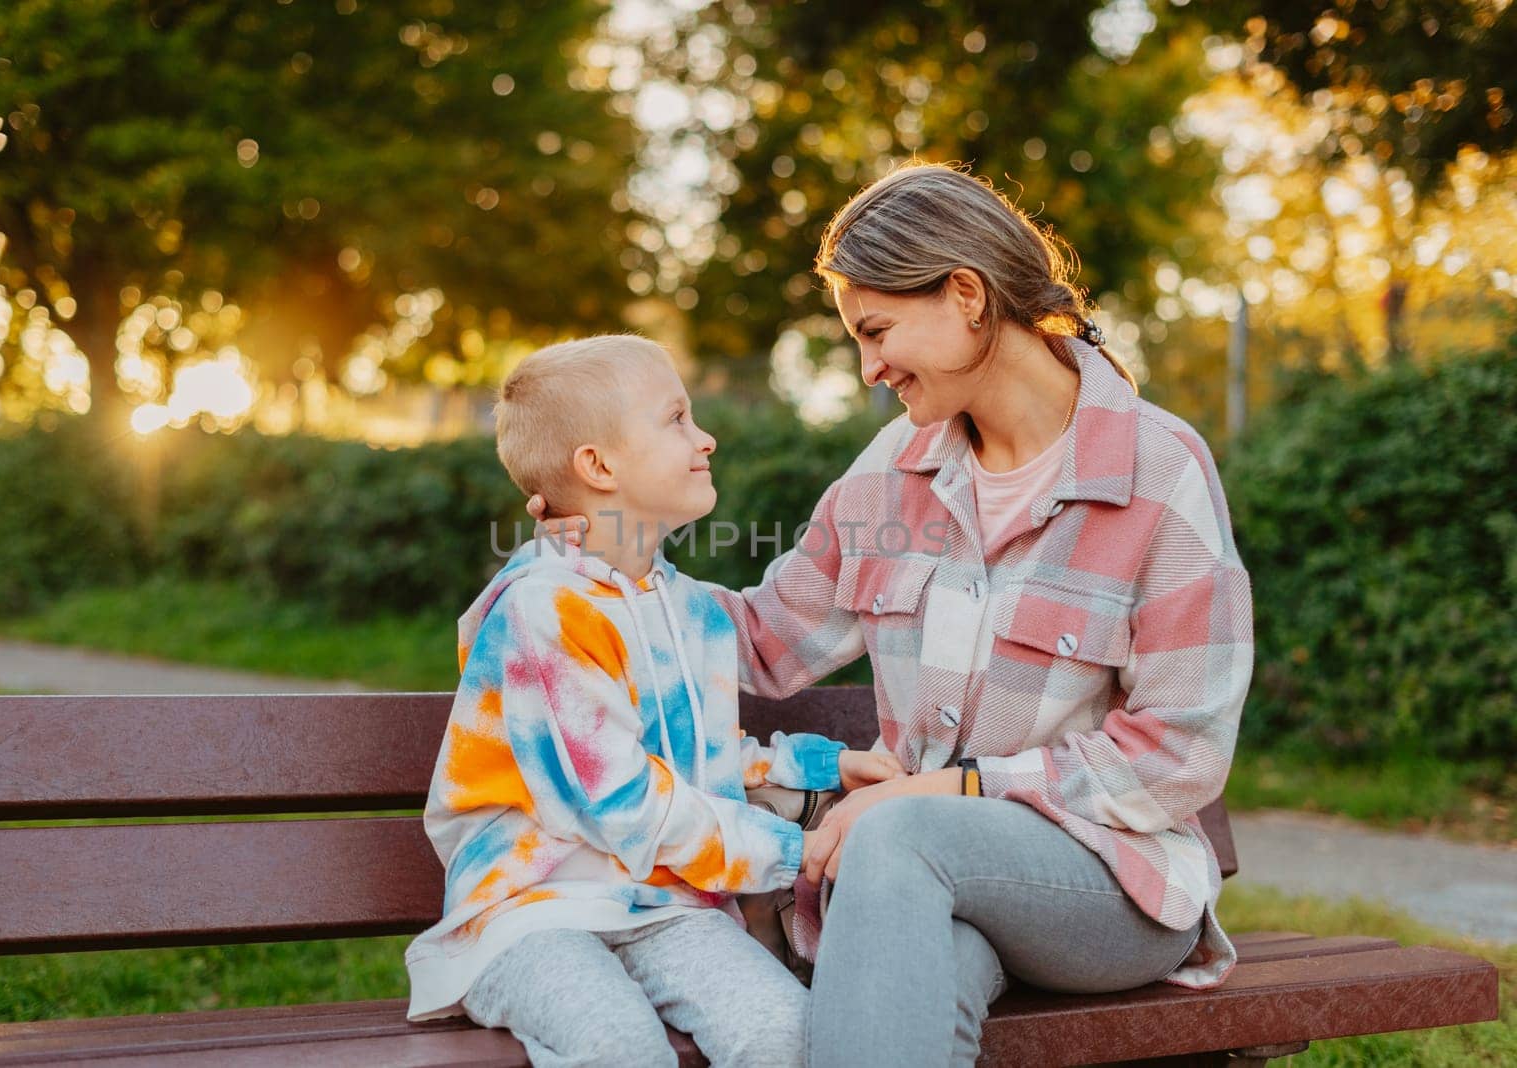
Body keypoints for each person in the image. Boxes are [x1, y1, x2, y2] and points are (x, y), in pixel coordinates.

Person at [528, 163, 1254, 1067]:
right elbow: (759, 642)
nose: (870, 369)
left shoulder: (1157, 471)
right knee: (916, 969)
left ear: (965, 295)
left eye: (876, 331)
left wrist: (948, 791)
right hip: (912, 887)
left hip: (1108, 886)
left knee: (898, 833)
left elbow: (1180, 754)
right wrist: (604, 558)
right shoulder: (891, 471)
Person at [404, 334, 904, 1067]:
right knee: (619, 1045)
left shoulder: (691, 608)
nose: (705, 438)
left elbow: (697, 760)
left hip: (667, 906)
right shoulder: (542, 613)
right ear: (598, 466)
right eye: (676, 419)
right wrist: (795, 853)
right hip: (535, 912)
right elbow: (625, 804)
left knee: (785, 1031)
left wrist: (824, 769)